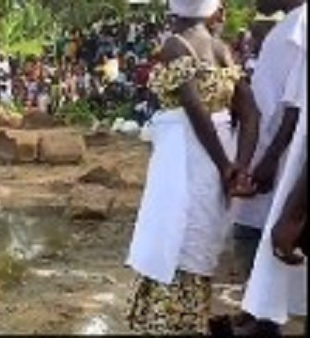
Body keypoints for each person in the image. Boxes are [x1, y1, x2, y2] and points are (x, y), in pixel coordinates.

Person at [125, 0, 258, 334]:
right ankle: (190, 320)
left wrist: (225, 165)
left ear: (174, 11)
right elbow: (251, 114)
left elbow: (195, 111)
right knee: (197, 242)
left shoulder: (175, 44)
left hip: (188, 160)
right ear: (214, 11)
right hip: (213, 162)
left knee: (174, 239)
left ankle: (172, 324)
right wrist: (239, 167)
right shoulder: (222, 49)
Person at [239, 0, 307, 334]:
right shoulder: (288, 28)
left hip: (283, 177)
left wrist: (269, 159)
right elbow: (291, 104)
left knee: (259, 253)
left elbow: (292, 114)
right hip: (274, 172)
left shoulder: (299, 29)